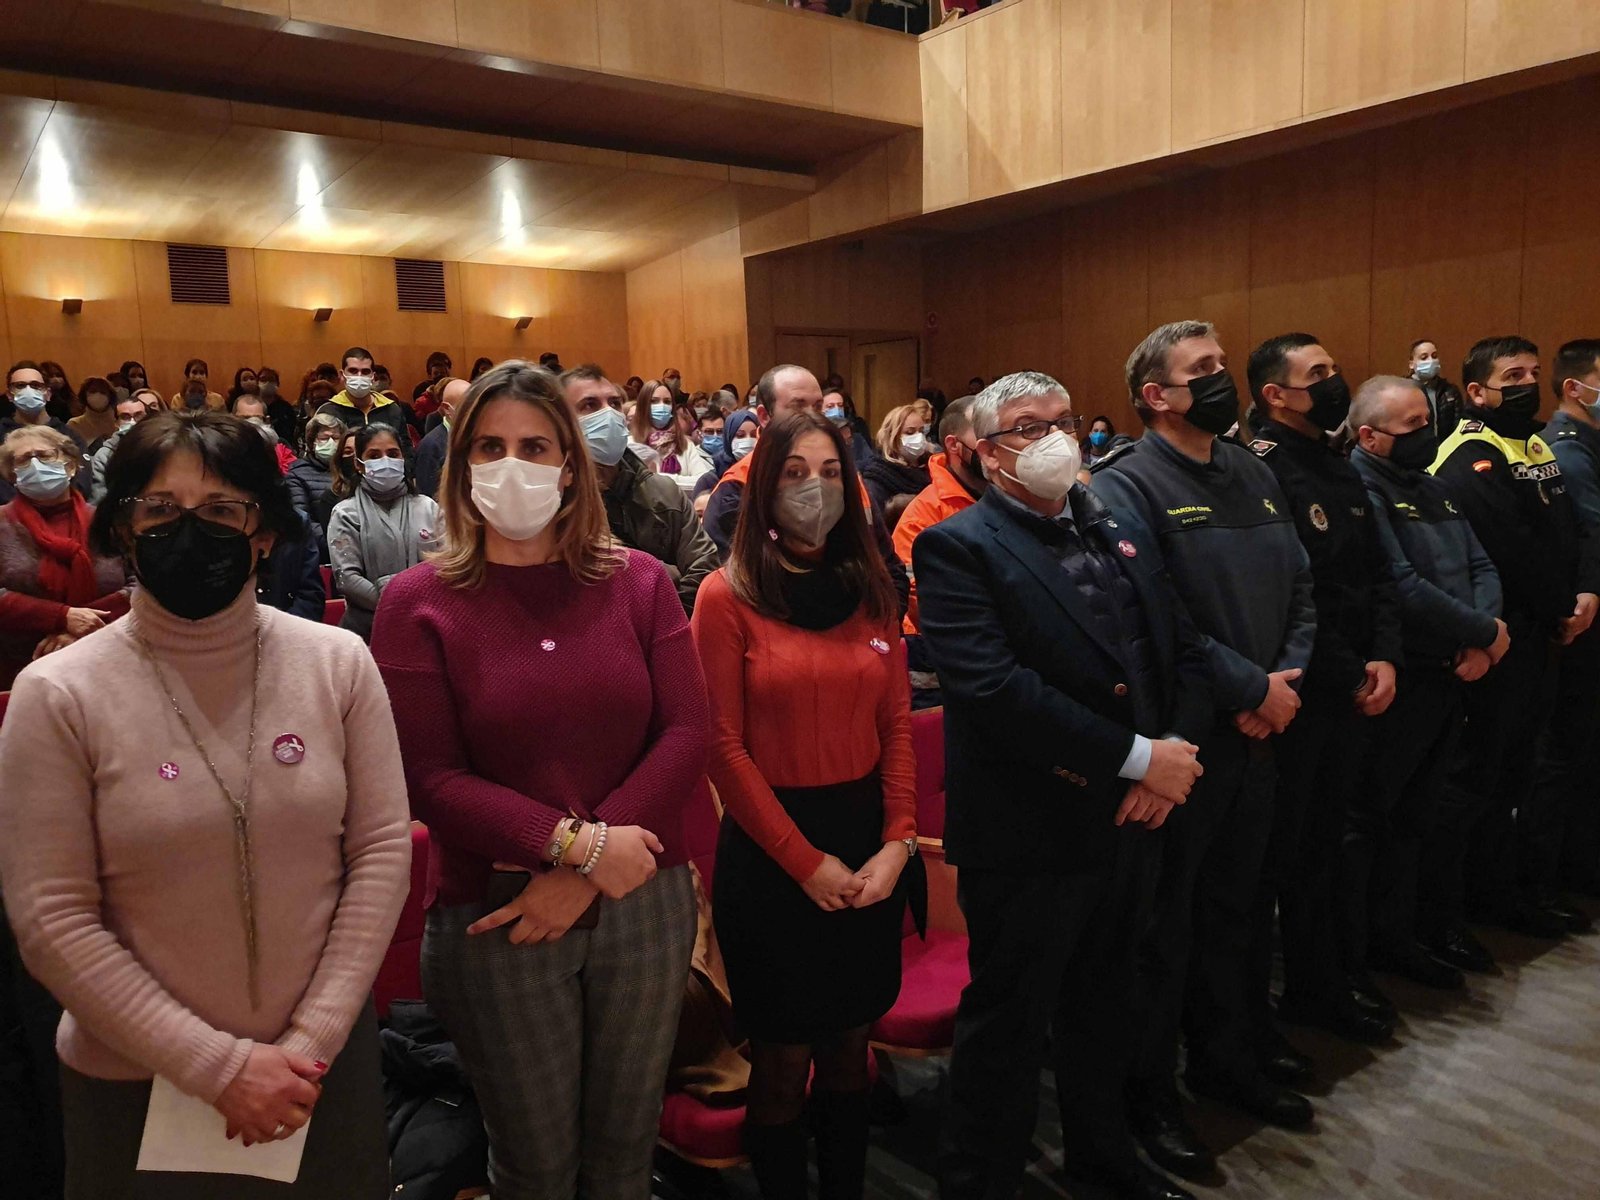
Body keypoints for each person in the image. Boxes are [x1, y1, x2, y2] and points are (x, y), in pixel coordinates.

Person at [0, 408, 412, 1197]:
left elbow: (381, 852)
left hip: (318, 1073)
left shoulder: (338, 663)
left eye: (223, 509)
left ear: (265, 533)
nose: (190, 530)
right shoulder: (57, 693)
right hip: (137, 1081)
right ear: (123, 529)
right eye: (160, 508)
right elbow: (52, 918)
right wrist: (219, 1069)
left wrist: (311, 1041)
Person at [370, 361, 707, 1200]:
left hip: (643, 895)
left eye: (534, 446)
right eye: (490, 447)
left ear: (568, 466)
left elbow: (687, 733)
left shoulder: (640, 582)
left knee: (625, 1157)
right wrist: (577, 848)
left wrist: (587, 869)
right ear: (460, 467)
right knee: (535, 1169)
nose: (511, 464)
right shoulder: (415, 600)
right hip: (500, 911)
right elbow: (428, 777)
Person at [917, 372, 1207, 1200]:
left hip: (1128, 816)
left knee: (1106, 1005)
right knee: (1008, 1026)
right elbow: (994, 689)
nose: (1050, 439)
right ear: (984, 454)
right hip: (1030, 828)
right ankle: (981, 1184)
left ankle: (1103, 1163)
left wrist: (1165, 759)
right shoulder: (958, 546)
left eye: (1060, 421)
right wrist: (1137, 758)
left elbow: (1178, 648)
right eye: (1024, 427)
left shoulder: (1117, 524)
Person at [1092, 320, 1317, 1176]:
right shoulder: (1127, 484)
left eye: (1223, 363)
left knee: (1240, 909)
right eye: (1205, 369)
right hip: (1190, 741)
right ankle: (1151, 1094)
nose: (1224, 378)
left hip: (1265, 723)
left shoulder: (1252, 468)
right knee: (1166, 930)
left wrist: (1284, 678)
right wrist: (1251, 689)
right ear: (1156, 395)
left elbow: (1301, 582)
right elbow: (1161, 620)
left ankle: (1229, 1058)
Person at [692, 409, 914, 1200]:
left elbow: (896, 725)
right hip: (773, 856)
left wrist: (897, 844)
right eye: (793, 474)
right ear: (762, 490)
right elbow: (721, 748)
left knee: (851, 1051)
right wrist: (805, 863)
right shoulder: (725, 596)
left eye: (827, 473)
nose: (814, 489)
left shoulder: (872, 586)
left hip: (867, 843)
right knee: (784, 1064)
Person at [1243, 334, 1404, 1054]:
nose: (1335, 382)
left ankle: (1330, 977)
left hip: (1359, 678)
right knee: (1294, 851)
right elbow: (1299, 592)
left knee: (1337, 841)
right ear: (1275, 395)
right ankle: (1300, 991)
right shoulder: (1265, 469)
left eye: (1334, 369)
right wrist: (1352, 670)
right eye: (1318, 375)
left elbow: (1376, 574)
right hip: (1307, 688)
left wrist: (1386, 655)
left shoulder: (1337, 463)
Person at [1428, 335, 1599, 946]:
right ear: (1477, 391)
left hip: (1539, 627)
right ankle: (1450, 911)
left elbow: (1572, 530)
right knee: (1477, 776)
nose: (1527, 384)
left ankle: (1502, 893)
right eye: (1512, 376)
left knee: (1515, 772)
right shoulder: (1470, 450)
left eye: (1532, 372)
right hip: (1496, 633)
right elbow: (1509, 546)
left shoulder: (1532, 442)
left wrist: (1583, 592)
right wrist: (1560, 606)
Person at [1347, 376, 1505, 994]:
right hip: (1404, 675)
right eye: (1411, 425)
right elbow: (1402, 584)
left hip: (1452, 668)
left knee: (1422, 813)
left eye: (1427, 419)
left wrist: (1485, 635)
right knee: (1381, 817)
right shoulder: (1362, 487)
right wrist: (1483, 633)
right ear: (1370, 437)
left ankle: (1411, 931)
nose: (1427, 432)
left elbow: (1481, 564)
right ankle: (1374, 945)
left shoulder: (1431, 485)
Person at [705, 367, 909, 615]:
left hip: (858, 619)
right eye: (798, 407)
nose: (812, 418)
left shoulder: (847, 480)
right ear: (765, 416)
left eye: (818, 407)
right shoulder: (735, 488)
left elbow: (889, 572)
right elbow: (739, 586)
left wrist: (872, 625)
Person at [561, 365, 718, 615]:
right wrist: (664, 575)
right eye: (590, 405)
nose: (608, 414)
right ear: (562, 423)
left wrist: (659, 616)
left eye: (614, 403)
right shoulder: (558, 503)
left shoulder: (663, 491)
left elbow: (705, 568)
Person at [0, 425, 132, 688]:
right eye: (24, 460)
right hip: (20, 668)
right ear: (13, 476)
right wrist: (62, 616)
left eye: (44, 455)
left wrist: (85, 628)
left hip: (110, 657)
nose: (35, 464)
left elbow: (141, 584)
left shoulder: (107, 522)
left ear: (70, 466)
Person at [1540, 339, 1600, 898]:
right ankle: (1564, 871)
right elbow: (1590, 539)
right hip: (1583, 624)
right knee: (1571, 750)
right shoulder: (1569, 451)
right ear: (1575, 388)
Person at [327, 425, 441, 642]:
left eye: (393, 454)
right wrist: (396, 605)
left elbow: (446, 565)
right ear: (359, 464)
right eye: (374, 456)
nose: (385, 461)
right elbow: (347, 579)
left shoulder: (428, 507)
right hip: (367, 631)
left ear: (402, 459)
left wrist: (417, 606)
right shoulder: (345, 513)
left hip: (427, 625)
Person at [892, 395, 985, 639]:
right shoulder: (922, 516)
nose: (993, 442)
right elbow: (916, 599)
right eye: (982, 432)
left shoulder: (1015, 493)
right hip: (949, 642)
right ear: (954, 445)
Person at [3, 361, 87, 506]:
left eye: (36, 385)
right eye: (20, 386)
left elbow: (82, 481)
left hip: (64, 509)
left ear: (47, 394)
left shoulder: (70, 436)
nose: (28, 390)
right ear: (10, 395)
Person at [317, 348, 412, 450]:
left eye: (365, 372)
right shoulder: (328, 412)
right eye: (353, 371)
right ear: (342, 375)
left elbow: (406, 449)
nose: (359, 376)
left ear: (373, 377)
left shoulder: (391, 409)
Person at [862, 404, 932, 514]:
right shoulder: (877, 479)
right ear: (892, 436)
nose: (919, 437)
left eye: (921, 431)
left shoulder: (932, 469)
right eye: (910, 432)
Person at [88, 391, 157, 504]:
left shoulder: (160, 446)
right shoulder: (104, 456)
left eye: (138, 415)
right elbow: (99, 501)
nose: (133, 421)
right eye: (125, 417)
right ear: (116, 423)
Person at [414, 378, 467, 499]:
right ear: (447, 409)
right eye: (467, 405)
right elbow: (427, 497)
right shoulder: (430, 446)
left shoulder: (478, 436)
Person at [1408, 339, 1464, 436]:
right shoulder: (1403, 391)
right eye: (1424, 357)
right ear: (1411, 364)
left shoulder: (1450, 391)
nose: (1431, 361)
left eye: (1434, 356)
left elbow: (1458, 427)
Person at [67, 377, 118, 447]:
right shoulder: (74, 425)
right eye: (93, 391)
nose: (98, 395)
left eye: (103, 392)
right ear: (84, 396)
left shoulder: (118, 424)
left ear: (110, 396)